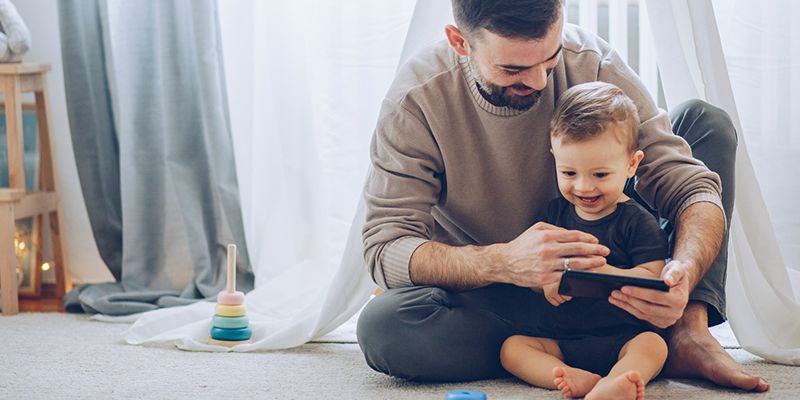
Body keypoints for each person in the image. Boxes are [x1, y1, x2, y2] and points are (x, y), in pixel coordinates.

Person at [357, 0, 769, 392]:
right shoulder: (416, 100)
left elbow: (688, 185)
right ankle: (592, 352)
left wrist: (684, 274)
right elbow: (385, 246)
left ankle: (685, 334)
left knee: (705, 122)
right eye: (513, 68)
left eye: (550, 59)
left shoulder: (593, 63)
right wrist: (503, 262)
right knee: (385, 328)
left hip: (619, 286)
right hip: (506, 298)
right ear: (460, 42)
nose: (539, 81)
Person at [500, 81, 669, 400]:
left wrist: (604, 275)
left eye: (600, 175)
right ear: (554, 159)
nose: (583, 187)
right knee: (512, 349)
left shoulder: (637, 220)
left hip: (624, 336)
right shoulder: (555, 214)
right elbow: (537, 267)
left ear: (631, 164)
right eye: (568, 173)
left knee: (654, 346)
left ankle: (618, 380)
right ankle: (570, 377)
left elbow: (652, 277)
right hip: (563, 339)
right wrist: (546, 283)